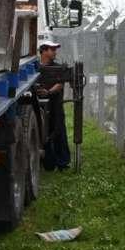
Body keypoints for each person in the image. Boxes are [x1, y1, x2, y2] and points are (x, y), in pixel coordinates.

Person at [34, 39, 71, 169]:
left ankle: (62, 162)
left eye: (55, 49)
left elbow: (60, 84)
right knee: (44, 131)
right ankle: (48, 162)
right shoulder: (35, 67)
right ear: (44, 51)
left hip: (55, 104)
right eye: (52, 49)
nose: (55, 52)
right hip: (39, 105)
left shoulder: (58, 67)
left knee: (58, 130)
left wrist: (48, 92)